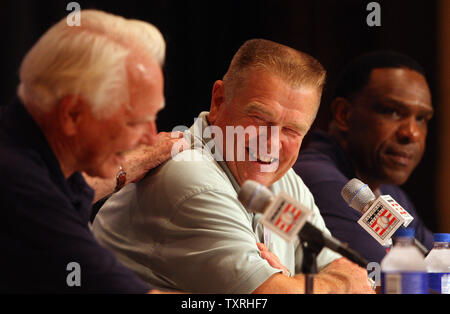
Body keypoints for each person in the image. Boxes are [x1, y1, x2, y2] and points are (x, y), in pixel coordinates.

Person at [92, 39, 374, 294]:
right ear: (218, 101)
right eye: (260, 118)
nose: (272, 145)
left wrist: (298, 285)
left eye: (291, 130)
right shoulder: (189, 176)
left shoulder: (283, 180)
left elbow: (349, 273)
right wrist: (290, 284)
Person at [0, 10, 177, 293]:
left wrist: (139, 160)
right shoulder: (20, 186)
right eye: (134, 121)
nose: (151, 136)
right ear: (71, 114)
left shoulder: (26, 146)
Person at [293, 51, 434, 264]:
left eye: (421, 118)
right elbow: (380, 281)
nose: (412, 133)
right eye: (392, 111)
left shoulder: (389, 192)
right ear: (344, 114)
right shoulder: (324, 182)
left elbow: (437, 264)